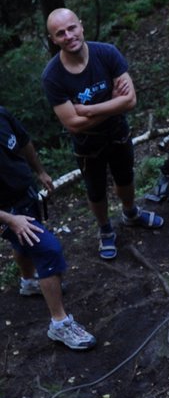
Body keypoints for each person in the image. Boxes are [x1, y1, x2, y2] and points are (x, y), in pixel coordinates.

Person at [42, 8, 164, 261]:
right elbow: (74, 124)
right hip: (87, 145)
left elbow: (130, 100)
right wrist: (112, 102)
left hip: (118, 134)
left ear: (81, 26)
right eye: (60, 33)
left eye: (72, 28)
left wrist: (89, 109)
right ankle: (105, 229)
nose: (69, 35)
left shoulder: (106, 53)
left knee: (125, 177)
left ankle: (130, 213)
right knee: (95, 190)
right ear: (53, 40)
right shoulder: (53, 76)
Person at [0, 105, 96, 350]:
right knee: (48, 250)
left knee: (24, 246)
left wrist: (40, 171)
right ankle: (60, 324)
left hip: (25, 195)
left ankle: (28, 281)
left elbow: (24, 143)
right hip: (6, 212)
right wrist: (11, 220)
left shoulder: (2, 114)